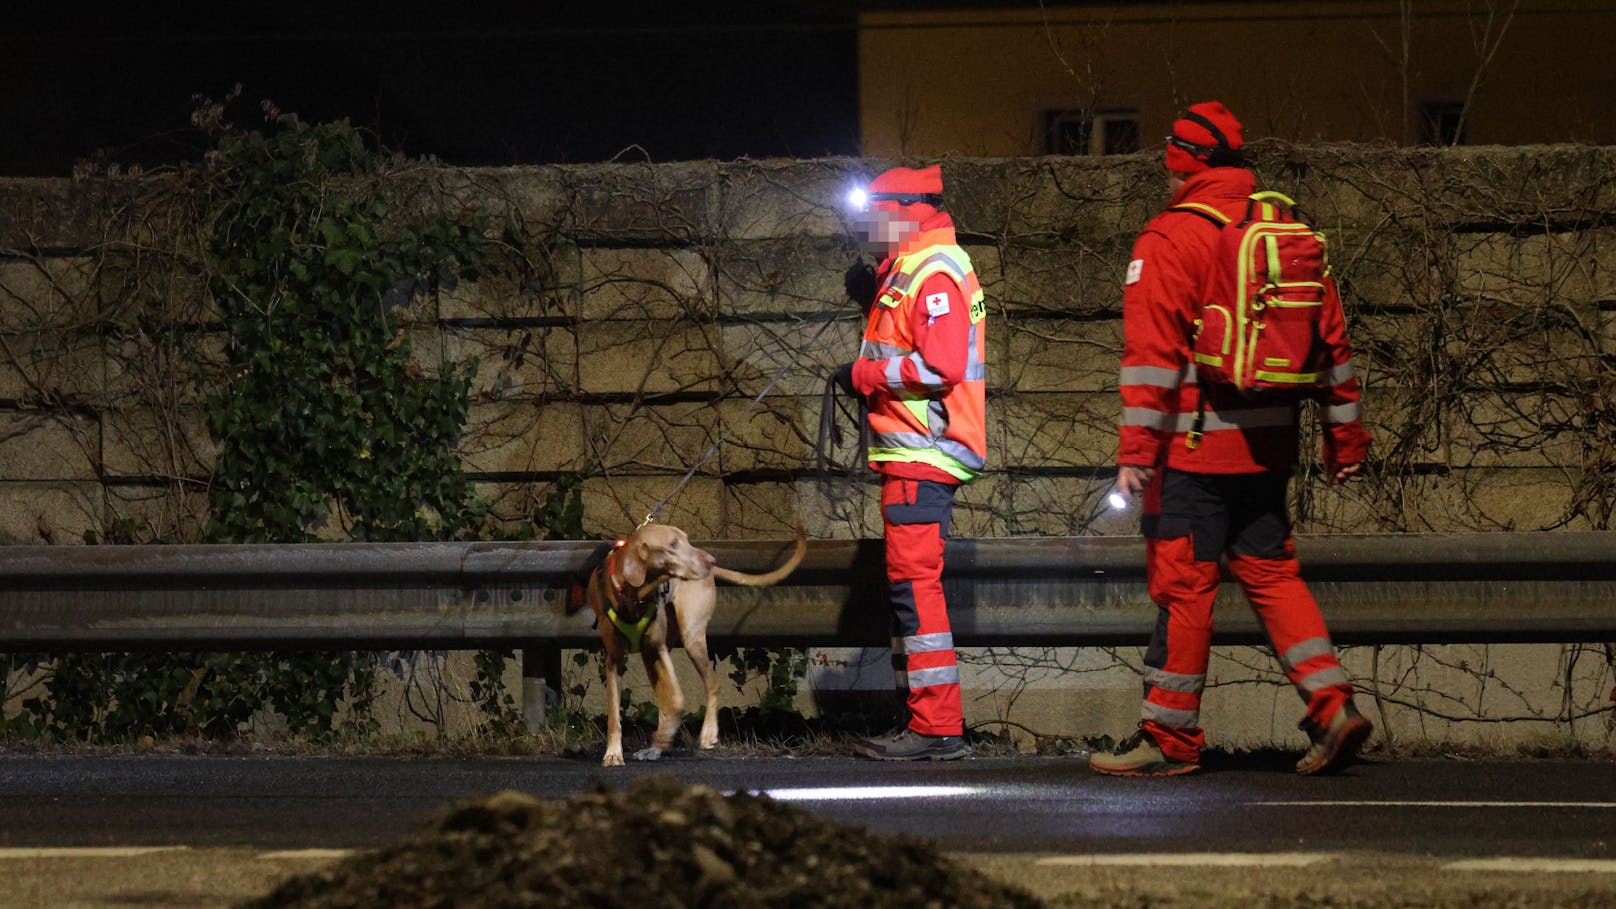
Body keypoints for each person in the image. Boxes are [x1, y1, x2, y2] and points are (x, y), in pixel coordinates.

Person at [1091, 102, 1374, 777]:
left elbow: (1152, 362)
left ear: (1181, 162)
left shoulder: (1170, 238)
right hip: (1270, 446)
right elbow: (1332, 344)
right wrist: (1345, 442)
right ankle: (1332, 707)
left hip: (1193, 452)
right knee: (1274, 575)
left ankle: (1169, 737)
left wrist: (1135, 456)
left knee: (1185, 588)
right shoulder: (1285, 231)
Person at [833, 164, 987, 761]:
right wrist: (874, 295)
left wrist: (863, 374)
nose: (866, 225)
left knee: (916, 591)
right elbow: (915, 335)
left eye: (873, 212)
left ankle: (936, 729)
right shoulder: (916, 265)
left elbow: (940, 366)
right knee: (911, 588)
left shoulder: (935, 268)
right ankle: (933, 725)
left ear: (904, 209)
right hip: (915, 452)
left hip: (925, 452)